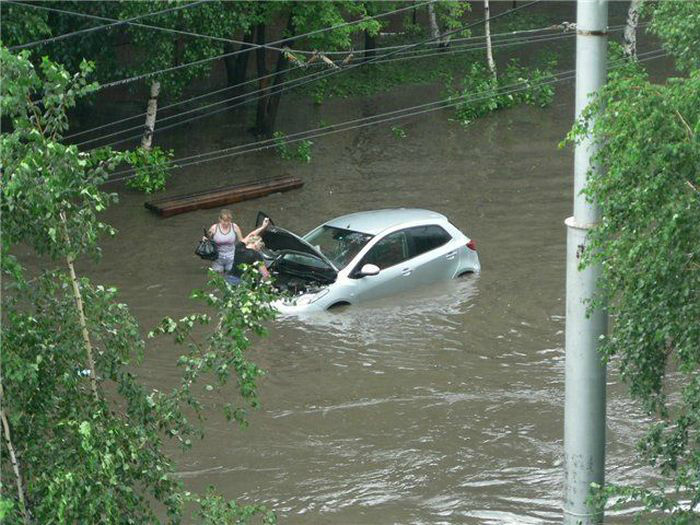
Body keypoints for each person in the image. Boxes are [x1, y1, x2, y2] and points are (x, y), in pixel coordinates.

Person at [205, 209, 269, 273]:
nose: (226, 223)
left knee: (232, 275)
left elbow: (244, 240)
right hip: (218, 258)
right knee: (217, 276)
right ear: (220, 219)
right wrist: (205, 239)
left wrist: (262, 227)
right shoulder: (214, 228)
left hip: (232, 257)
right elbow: (208, 240)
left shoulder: (235, 227)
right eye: (224, 221)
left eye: (228, 221)